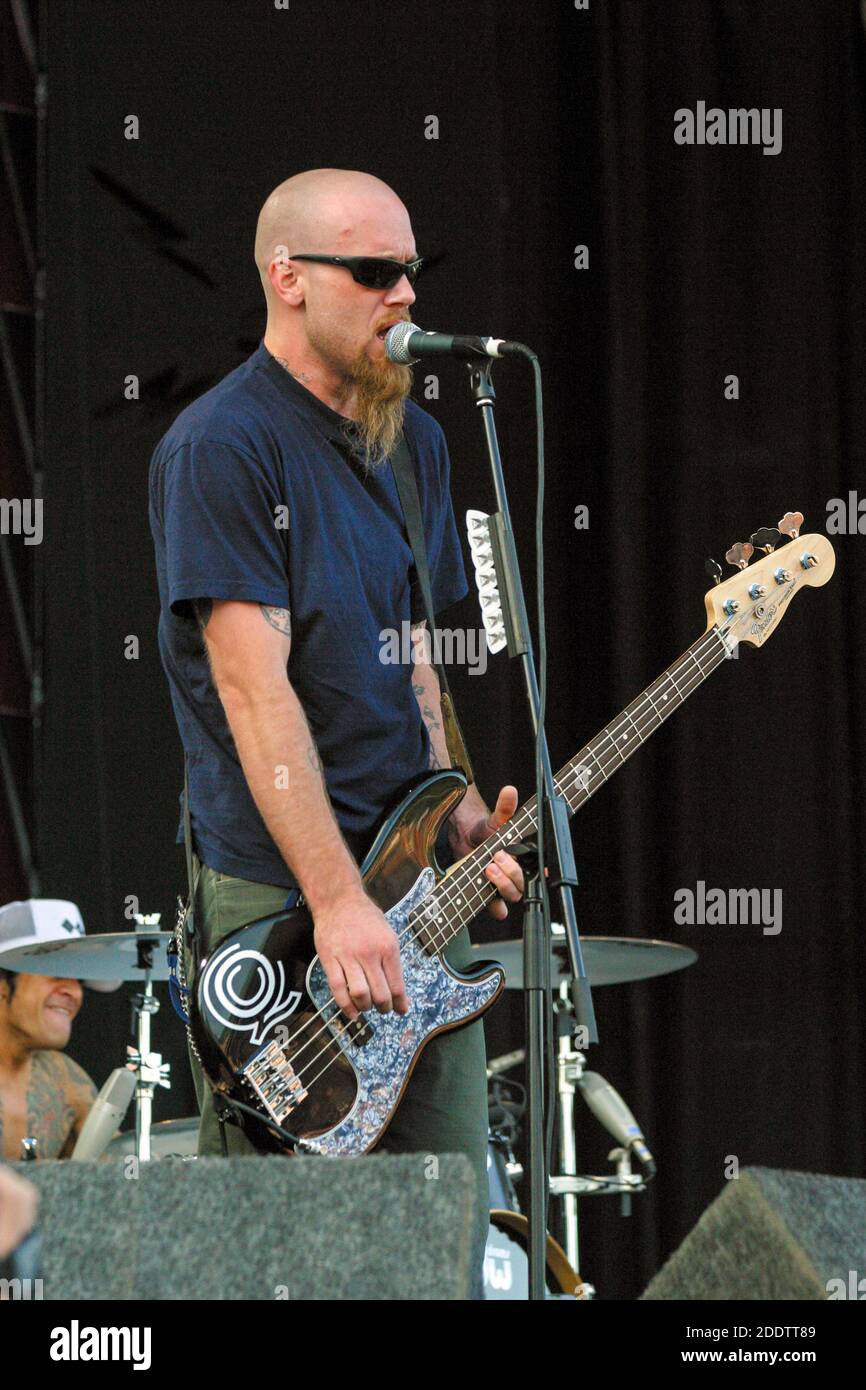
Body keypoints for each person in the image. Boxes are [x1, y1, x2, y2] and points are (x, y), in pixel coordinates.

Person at [148, 168, 524, 1291]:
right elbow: (254, 690)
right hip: (285, 893)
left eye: (410, 268)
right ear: (290, 280)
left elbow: (411, 655)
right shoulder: (223, 446)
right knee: (287, 1248)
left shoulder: (414, 442)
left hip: (411, 887)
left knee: (441, 1225)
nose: (403, 293)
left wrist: (450, 797)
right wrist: (335, 899)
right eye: (373, 272)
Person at [0, 900, 106, 1161]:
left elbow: (118, 1183)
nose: (76, 992)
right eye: (56, 972)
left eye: (79, 979)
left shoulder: (66, 1079)